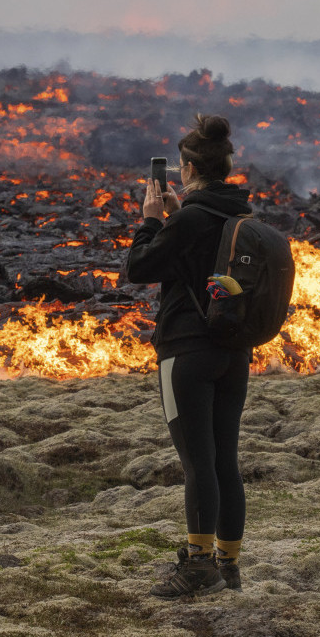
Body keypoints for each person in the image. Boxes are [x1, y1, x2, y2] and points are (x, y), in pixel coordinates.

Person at [124, 114, 252, 599]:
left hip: (186, 351)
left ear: (189, 168)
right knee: (225, 462)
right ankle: (228, 564)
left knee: (198, 464)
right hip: (233, 352)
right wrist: (177, 217)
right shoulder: (238, 216)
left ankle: (199, 565)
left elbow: (140, 267)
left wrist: (152, 221)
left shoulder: (189, 219)